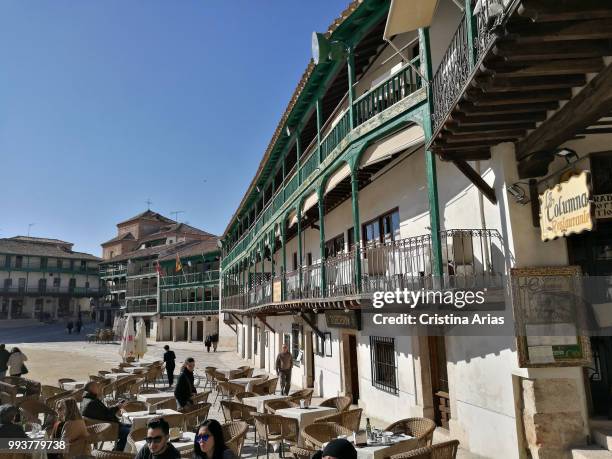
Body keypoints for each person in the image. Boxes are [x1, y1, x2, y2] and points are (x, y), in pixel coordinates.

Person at [80, 381, 130, 451]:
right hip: (109, 429)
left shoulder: (85, 400)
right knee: (130, 432)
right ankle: (118, 451)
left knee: (132, 426)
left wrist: (116, 406)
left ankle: (118, 450)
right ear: (92, 389)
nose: (99, 388)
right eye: (97, 387)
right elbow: (107, 415)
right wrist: (118, 407)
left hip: (105, 426)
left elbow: (103, 413)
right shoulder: (92, 402)